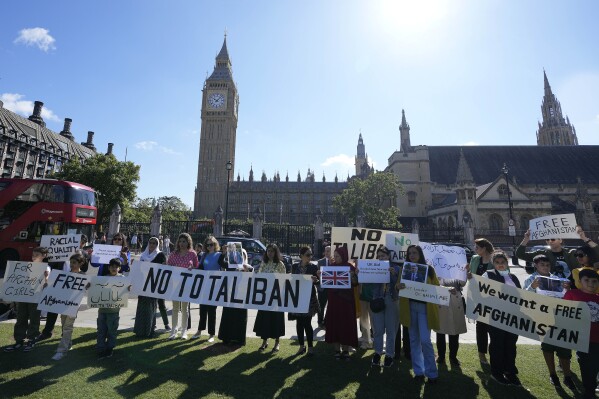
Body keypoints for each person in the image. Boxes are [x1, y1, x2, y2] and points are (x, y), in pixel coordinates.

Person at [523, 254, 576, 390]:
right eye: (542, 265)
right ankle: (553, 374)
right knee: (547, 347)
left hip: (559, 318)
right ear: (536, 265)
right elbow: (524, 298)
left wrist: (567, 290)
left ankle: (568, 376)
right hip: (542, 318)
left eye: (547, 265)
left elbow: (566, 298)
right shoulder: (530, 279)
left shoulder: (557, 279)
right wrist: (532, 287)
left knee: (564, 348)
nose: (545, 267)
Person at [478, 251, 522, 386]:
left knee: (510, 344)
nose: (500, 265)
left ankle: (510, 371)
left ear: (507, 263)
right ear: (493, 263)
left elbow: (522, 296)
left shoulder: (513, 277)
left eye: (502, 262)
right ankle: (497, 372)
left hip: (513, 316)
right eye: (497, 262)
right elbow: (481, 291)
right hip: (496, 316)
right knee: (497, 343)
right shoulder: (488, 275)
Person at [398, 245, 440, 383]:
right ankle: (419, 371)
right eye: (410, 253)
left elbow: (437, 288)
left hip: (424, 309)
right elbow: (398, 285)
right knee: (414, 340)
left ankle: (432, 372)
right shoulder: (405, 269)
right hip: (409, 307)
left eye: (414, 253)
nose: (412, 255)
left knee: (425, 341)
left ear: (420, 254)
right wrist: (399, 286)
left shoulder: (429, 270)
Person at [4, 247, 49, 352]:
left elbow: (46, 285)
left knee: (34, 318)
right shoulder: (26, 266)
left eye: (36, 255)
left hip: (35, 297)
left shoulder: (46, 268)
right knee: (21, 318)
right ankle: (19, 340)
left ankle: (31, 339)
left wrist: (46, 278)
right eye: (33, 255)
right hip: (23, 296)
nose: (33, 257)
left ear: (44, 256)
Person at [564, 268, 599, 399]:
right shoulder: (572, 294)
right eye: (587, 280)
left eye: (595, 281)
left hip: (598, 339)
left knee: (595, 365)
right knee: (586, 366)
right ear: (579, 281)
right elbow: (562, 312)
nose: (591, 283)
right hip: (583, 339)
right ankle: (589, 391)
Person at [87, 258, 131, 359]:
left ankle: (110, 348)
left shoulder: (122, 278)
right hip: (102, 310)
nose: (114, 268)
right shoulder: (103, 278)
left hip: (114, 311)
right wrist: (90, 286)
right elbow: (95, 288)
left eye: (116, 267)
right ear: (108, 267)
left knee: (112, 331)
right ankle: (100, 348)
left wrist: (129, 288)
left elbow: (126, 290)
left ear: (119, 268)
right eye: (112, 266)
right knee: (101, 330)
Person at [516, 226, 596, 278]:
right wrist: (526, 239)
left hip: (573, 287)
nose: (550, 241)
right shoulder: (542, 253)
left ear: (560, 240)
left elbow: (596, 252)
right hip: (551, 288)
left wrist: (585, 238)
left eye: (553, 239)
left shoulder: (572, 253)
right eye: (547, 239)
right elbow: (519, 254)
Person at [324, 246, 359, 360]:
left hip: (346, 302)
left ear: (343, 256)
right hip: (334, 301)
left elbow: (355, 283)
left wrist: (353, 274)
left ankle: (345, 350)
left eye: (338, 255)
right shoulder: (331, 267)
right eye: (335, 255)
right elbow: (326, 283)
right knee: (335, 324)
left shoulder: (349, 267)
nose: (335, 257)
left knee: (346, 324)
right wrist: (321, 275)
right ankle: (336, 350)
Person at [368, 246, 400, 368]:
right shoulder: (374, 267)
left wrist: (393, 274)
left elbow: (399, 285)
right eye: (379, 256)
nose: (381, 258)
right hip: (377, 299)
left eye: (384, 256)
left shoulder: (396, 268)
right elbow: (367, 281)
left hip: (392, 300)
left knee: (391, 330)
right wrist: (361, 273)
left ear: (388, 256)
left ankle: (389, 355)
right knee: (378, 329)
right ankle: (377, 353)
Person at [51, 253, 86, 360]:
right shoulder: (66, 275)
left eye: (74, 263)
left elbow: (87, 289)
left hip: (73, 305)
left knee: (67, 327)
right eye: (71, 262)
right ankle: (68, 343)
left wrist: (88, 286)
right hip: (63, 304)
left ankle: (61, 350)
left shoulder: (84, 276)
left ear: (81, 263)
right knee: (63, 324)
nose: (72, 265)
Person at [253, 243, 287, 353]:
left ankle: (277, 343)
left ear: (276, 252)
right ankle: (264, 341)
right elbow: (259, 276)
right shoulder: (264, 263)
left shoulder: (280, 264)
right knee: (265, 320)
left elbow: (284, 280)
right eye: (268, 251)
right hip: (265, 297)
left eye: (272, 251)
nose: (270, 253)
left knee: (276, 320)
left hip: (276, 298)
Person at [218, 249, 253, 346]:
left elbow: (252, 279)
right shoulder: (230, 265)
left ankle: (239, 339)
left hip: (241, 297)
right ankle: (226, 337)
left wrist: (247, 271)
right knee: (228, 316)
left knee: (240, 318)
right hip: (229, 296)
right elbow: (220, 262)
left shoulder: (248, 267)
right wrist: (224, 253)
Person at [289, 246, 320, 356]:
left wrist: (317, 280)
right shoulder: (294, 266)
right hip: (297, 298)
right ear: (301, 256)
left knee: (307, 323)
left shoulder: (313, 267)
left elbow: (318, 283)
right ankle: (302, 346)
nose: (310, 257)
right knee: (299, 323)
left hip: (309, 298)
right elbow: (291, 281)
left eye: (311, 254)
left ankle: (310, 347)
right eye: (308, 255)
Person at [193, 236, 226, 342]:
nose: (209, 246)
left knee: (212, 311)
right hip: (204, 285)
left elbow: (225, 265)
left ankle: (211, 334)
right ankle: (199, 330)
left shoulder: (219, 255)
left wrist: (225, 254)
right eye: (207, 245)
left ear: (215, 244)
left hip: (215, 286)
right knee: (202, 310)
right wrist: (192, 268)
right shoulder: (204, 255)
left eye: (211, 244)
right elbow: (200, 267)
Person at [167, 233, 199, 340]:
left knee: (185, 308)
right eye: (180, 241)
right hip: (175, 284)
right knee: (175, 308)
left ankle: (184, 331)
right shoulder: (173, 254)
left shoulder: (192, 254)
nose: (181, 244)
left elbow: (197, 268)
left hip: (187, 285)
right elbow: (168, 267)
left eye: (184, 241)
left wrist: (192, 267)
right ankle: (173, 331)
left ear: (188, 242)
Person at [470, 237, 494, 364]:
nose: (475, 249)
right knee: (481, 328)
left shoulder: (495, 260)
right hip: (478, 298)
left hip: (492, 299)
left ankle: (494, 352)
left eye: (477, 247)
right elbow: (471, 274)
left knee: (493, 328)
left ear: (484, 248)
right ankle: (482, 354)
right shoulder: (475, 259)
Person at [435, 276, 467, 367]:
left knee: (454, 331)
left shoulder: (458, 265)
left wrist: (465, 272)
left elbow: (462, 283)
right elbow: (434, 282)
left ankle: (453, 357)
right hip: (441, 297)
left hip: (455, 298)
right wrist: (446, 288)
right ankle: (441, 356)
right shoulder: (437, 263)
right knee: (440, 330)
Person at [134, 237, 162, 338]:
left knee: (151, 308)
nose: (152, 245)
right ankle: (139, 330)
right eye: (150, 243)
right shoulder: (143, 255)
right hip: (143, 284)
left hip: (153, 284)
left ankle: (149, 330)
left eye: (154, 243)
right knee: (141, 306)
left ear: (157, 245)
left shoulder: (160, 255)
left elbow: (161, 269)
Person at [316, 246, 332, 327]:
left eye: (328, 251)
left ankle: (326, 321)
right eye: (326, 251)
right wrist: (318, 274)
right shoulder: (320, 262)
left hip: (331, 288)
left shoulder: (334, 262)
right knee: (321, 305)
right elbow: (316, 275)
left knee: (330, 306)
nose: (327, 253)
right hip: (322, 288)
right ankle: (320, 321)